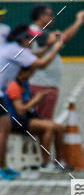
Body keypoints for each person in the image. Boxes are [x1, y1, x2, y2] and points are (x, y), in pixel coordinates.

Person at [0, 25, 64, 179]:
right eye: (30, 38)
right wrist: (57, 47)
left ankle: (3, 166)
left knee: (5, 129)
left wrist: (49, 46)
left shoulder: (12, 48)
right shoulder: (16, 50)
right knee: (3, 131)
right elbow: (41, 64)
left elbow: (36, 55)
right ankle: (1, 169)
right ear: (22, 39)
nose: (33, 41)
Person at [28, 4, 84, 121]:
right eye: (50, 15)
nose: (53, 17)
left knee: (42, 122)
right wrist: (78, 22)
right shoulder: (36, 32)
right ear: (41, 17)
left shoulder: (38, 32)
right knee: (44, 123)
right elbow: (64, 37)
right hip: (42, 86)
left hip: (44, 84)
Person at [3, 65, 67, 170]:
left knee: (59, 127)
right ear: (22, 72)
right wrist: (36, 100)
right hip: (15, 121)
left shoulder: (25, 84)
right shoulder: (14, 86)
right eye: (30, 72)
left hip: (25, 118)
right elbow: (20, 110)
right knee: (49, 127)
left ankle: (59, 161)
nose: (32, 74)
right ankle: (46, 163)